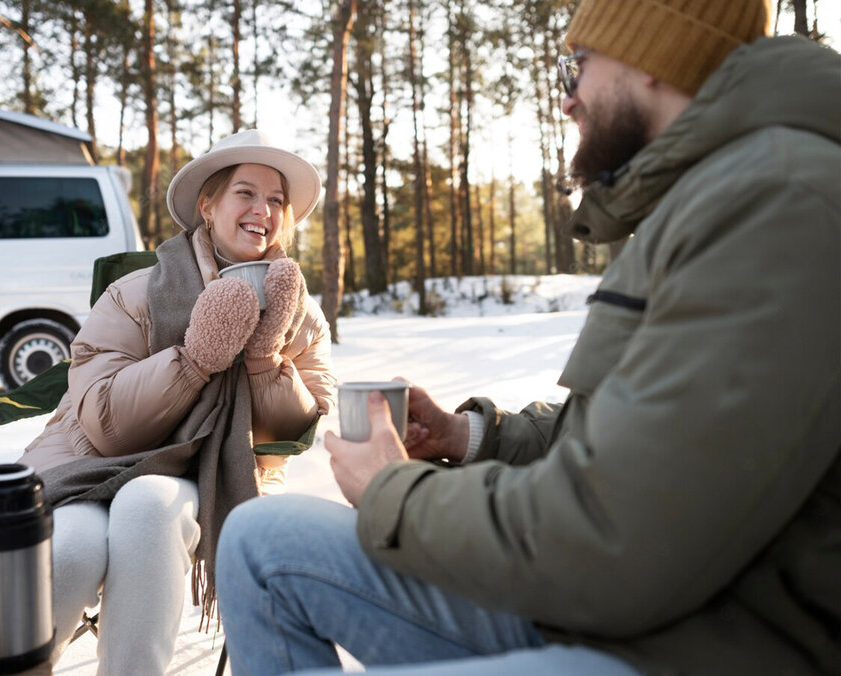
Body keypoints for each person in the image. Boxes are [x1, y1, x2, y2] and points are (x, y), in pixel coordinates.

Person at [216, 1, 840, 675]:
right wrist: (469, 437)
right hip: (615, 611)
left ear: (653, 58)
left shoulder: (776, 199)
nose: (569, 101)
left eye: (580, 65)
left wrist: (396, 494)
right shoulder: (705, 196)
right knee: (259, 540)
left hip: (689, 644)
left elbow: (618, 536)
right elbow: (634, 438)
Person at [16, 129, 336, 674]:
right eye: (245, 192)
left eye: (277, 200)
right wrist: (193, 361)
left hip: (216, 473)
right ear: (207, 207)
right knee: (72, 548)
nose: (264, 210)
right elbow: (103, 425)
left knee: (148, 507)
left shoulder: (296, 310)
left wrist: (264, 358)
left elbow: (300, 428)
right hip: (91, 465)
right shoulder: (137, 291)